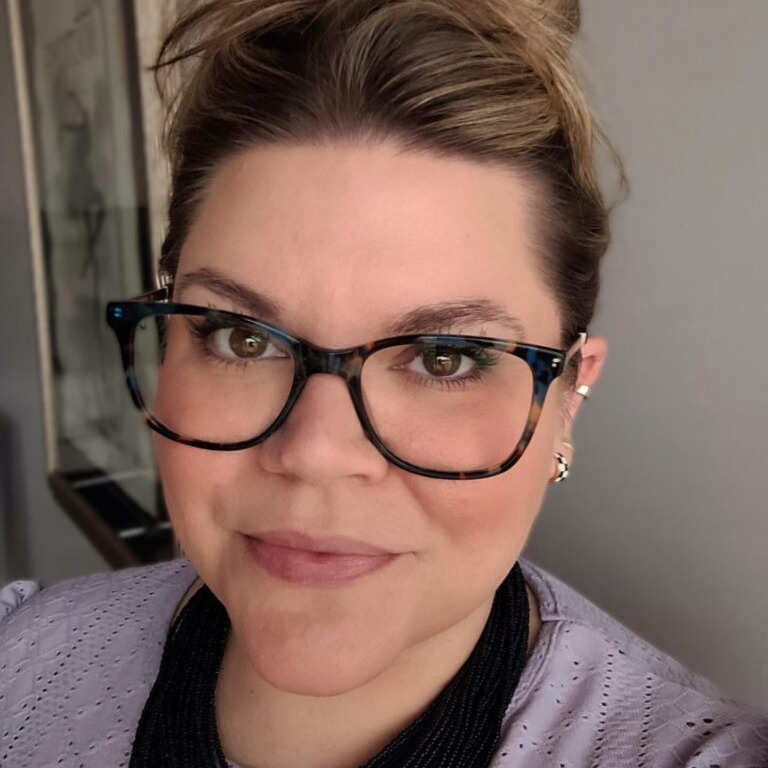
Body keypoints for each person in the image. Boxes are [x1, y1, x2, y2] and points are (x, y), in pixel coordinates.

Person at [1, 1, 767, 766]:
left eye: (443, 357)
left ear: (568, 396)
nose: (317, 453)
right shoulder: (19, 657)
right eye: (241, 337)